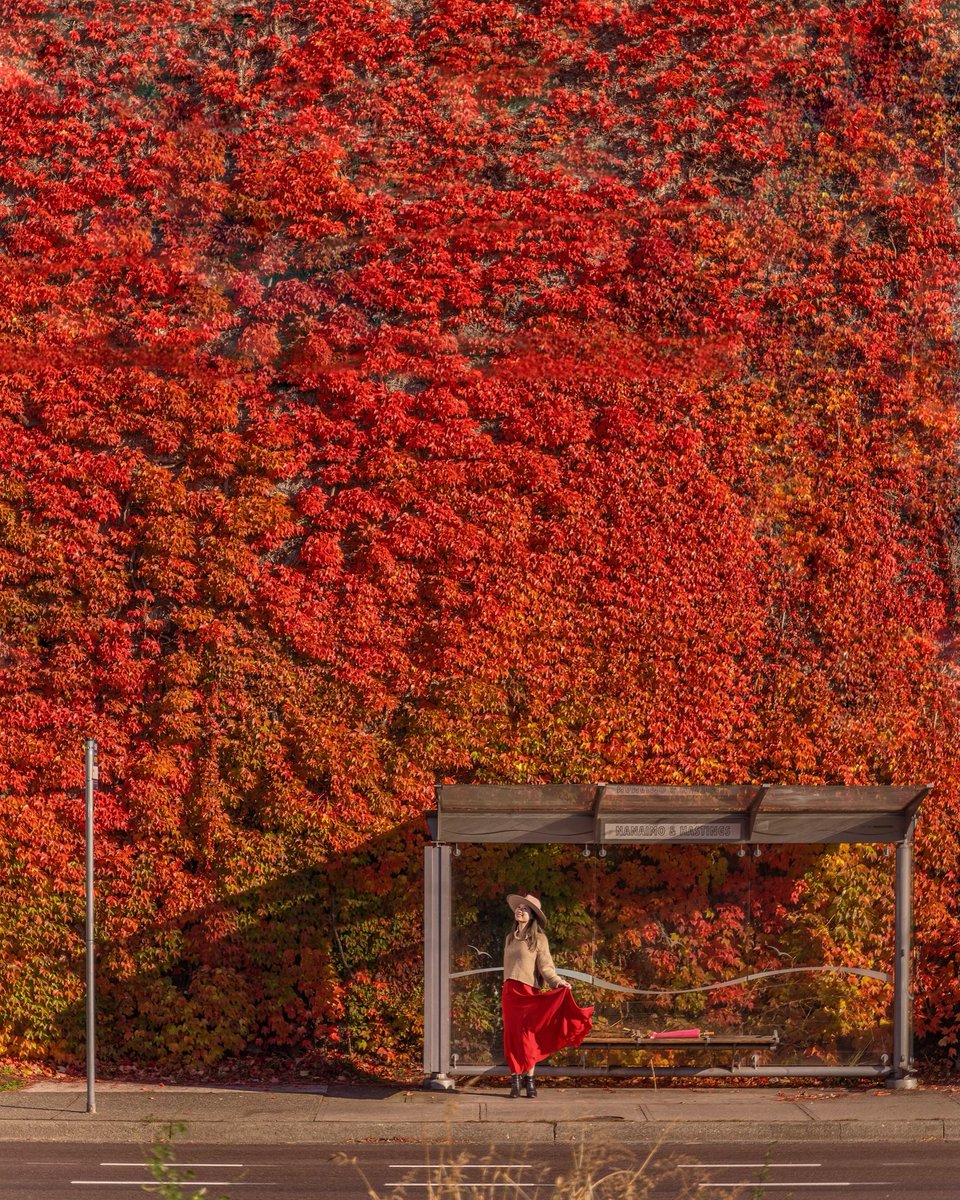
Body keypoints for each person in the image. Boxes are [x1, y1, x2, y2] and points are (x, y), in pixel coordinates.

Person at [501, 891, 593, 1098]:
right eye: (519, 908)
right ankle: (515, 1079)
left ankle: (530, 1079)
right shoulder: (509, 938)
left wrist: (558, 982)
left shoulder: (539, 939)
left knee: (529, 1036)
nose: (520, 911)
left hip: (529, 992)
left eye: (525, 909)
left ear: (532, 915)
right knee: (512, 1036)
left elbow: (546, 967)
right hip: (510, 993)